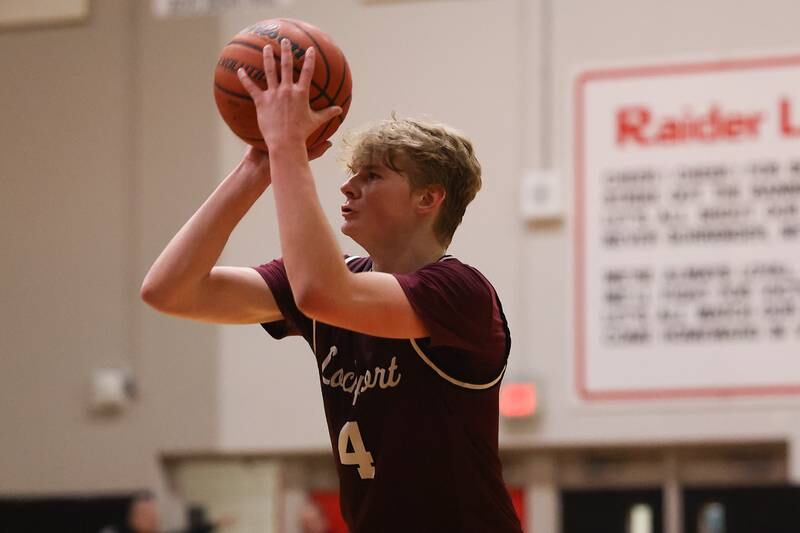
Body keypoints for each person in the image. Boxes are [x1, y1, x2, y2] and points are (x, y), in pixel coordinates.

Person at [141, 39, 523, 533]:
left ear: (428, 198)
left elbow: (322, 292)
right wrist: (257, 165)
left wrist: (287, 149)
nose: (347, 186)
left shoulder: (461, 292)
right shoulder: (329, 280)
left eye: (373, 176)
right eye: (351, 174)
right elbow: (168, 290)